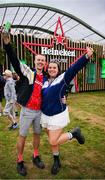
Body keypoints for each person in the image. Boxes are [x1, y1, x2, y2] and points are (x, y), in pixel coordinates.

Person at [40, 47, 93, 175]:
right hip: (45, 115)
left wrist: (86, 56)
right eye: (50, 67)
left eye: (54, 68)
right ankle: (56, 160)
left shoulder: (63, 78)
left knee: (53, 140)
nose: (52, 69)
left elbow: (74, 68)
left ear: (58, 70)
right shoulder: (44, 81)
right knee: (52, 138)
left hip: (58, 114)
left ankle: (73, 133)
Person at [1, 32, 47, 176]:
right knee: (22, 135)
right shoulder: (29, 73)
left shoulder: (46, 78)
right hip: (27, 111)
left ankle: (35, 155)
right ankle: (20, 160)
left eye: (42, 60)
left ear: (45, 63)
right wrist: (7, 45)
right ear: (34, 62)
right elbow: (15, 61)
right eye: (38, 60)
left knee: (37, 134)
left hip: (40, 112)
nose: (40, 62)